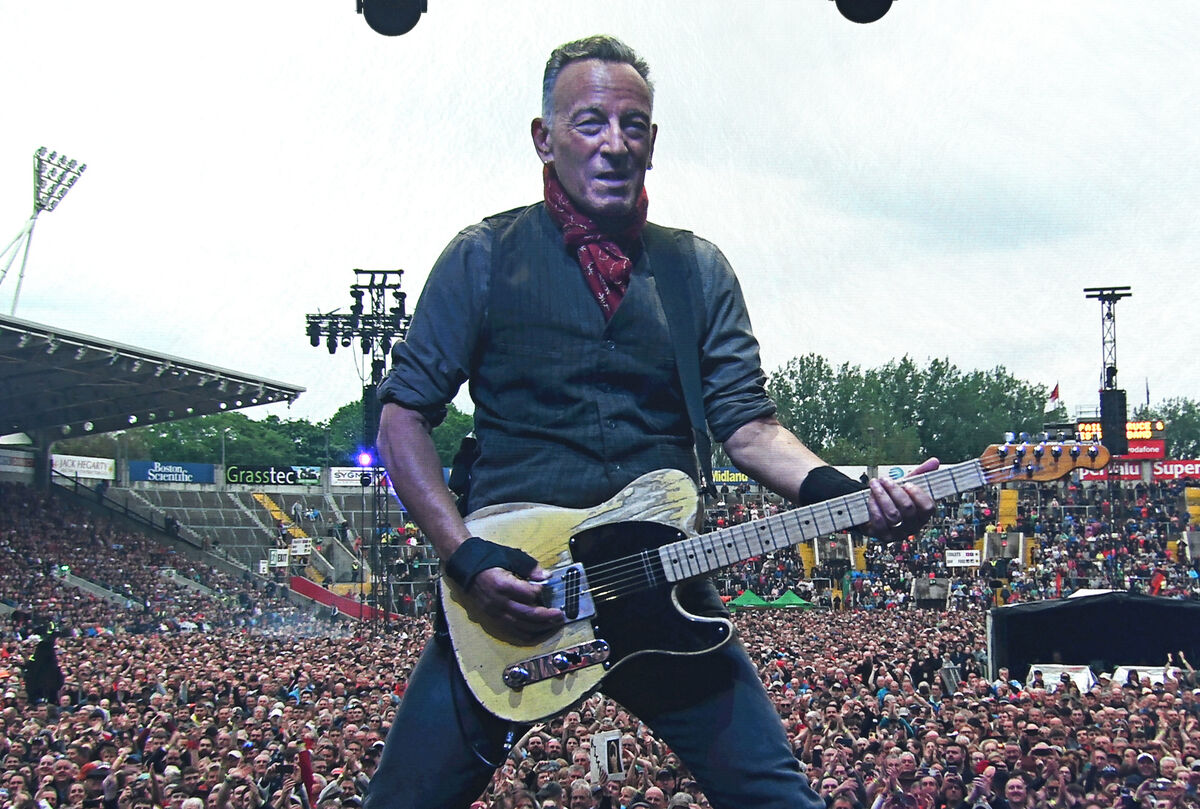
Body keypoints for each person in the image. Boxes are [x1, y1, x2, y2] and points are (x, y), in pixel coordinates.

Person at [366, 34, 936, 809]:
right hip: (519, 593)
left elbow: (749, 428)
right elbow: (403, 417)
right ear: (545, 137)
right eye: (589, 122)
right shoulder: (484, 257)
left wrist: (850, 492)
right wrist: (464, 556)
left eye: (633, 125)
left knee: (778, 799)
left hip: (664, 588)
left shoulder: (695, 269)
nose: (614, 144)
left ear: (654, 142)